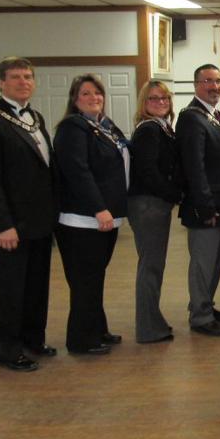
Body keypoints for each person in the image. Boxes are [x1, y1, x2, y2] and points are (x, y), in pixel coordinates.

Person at [0, 56, 56, 372]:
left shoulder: (35, 118)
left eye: (28, 76)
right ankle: (7, 349)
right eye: (16, 77)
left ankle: (33, 339)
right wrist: (2, 224)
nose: (23, 82)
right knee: (8, 289)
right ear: (1, 83)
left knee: (35, 286)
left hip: (38, 222)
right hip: (10, 226)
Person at [53, 74, 129, 356]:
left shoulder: (103, 127)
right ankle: (81, 340)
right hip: (83, 219)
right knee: (85, 280)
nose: (93, 97)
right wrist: (99, 207)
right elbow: (78, 172)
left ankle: (97, 328)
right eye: (85, 94)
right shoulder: (73, 129)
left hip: (105, 218)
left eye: (97, 93)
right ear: (74, 100)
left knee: (95, 277)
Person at [175, 64, 220, 337]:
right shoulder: (191, 117)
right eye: (208, 81)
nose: (215, 87)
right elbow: (194, 167)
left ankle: (206, 305)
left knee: (215, 261)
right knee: (202, 262)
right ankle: (200, 316)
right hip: (206, 206)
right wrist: (205, 205)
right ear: (196, 85)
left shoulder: (215, 116)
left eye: (218, 81)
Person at [128, 80, 181, 344]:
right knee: (150, 266)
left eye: (165, 98)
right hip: (148, 204)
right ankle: (148, 328)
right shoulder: (149, 130)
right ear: (143, 103)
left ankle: (152, 320)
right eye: (153, 99)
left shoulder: (162, 128)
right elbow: (148, 172)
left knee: (153, 265)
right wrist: (176, 195)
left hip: (155, 203)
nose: (161, 102)